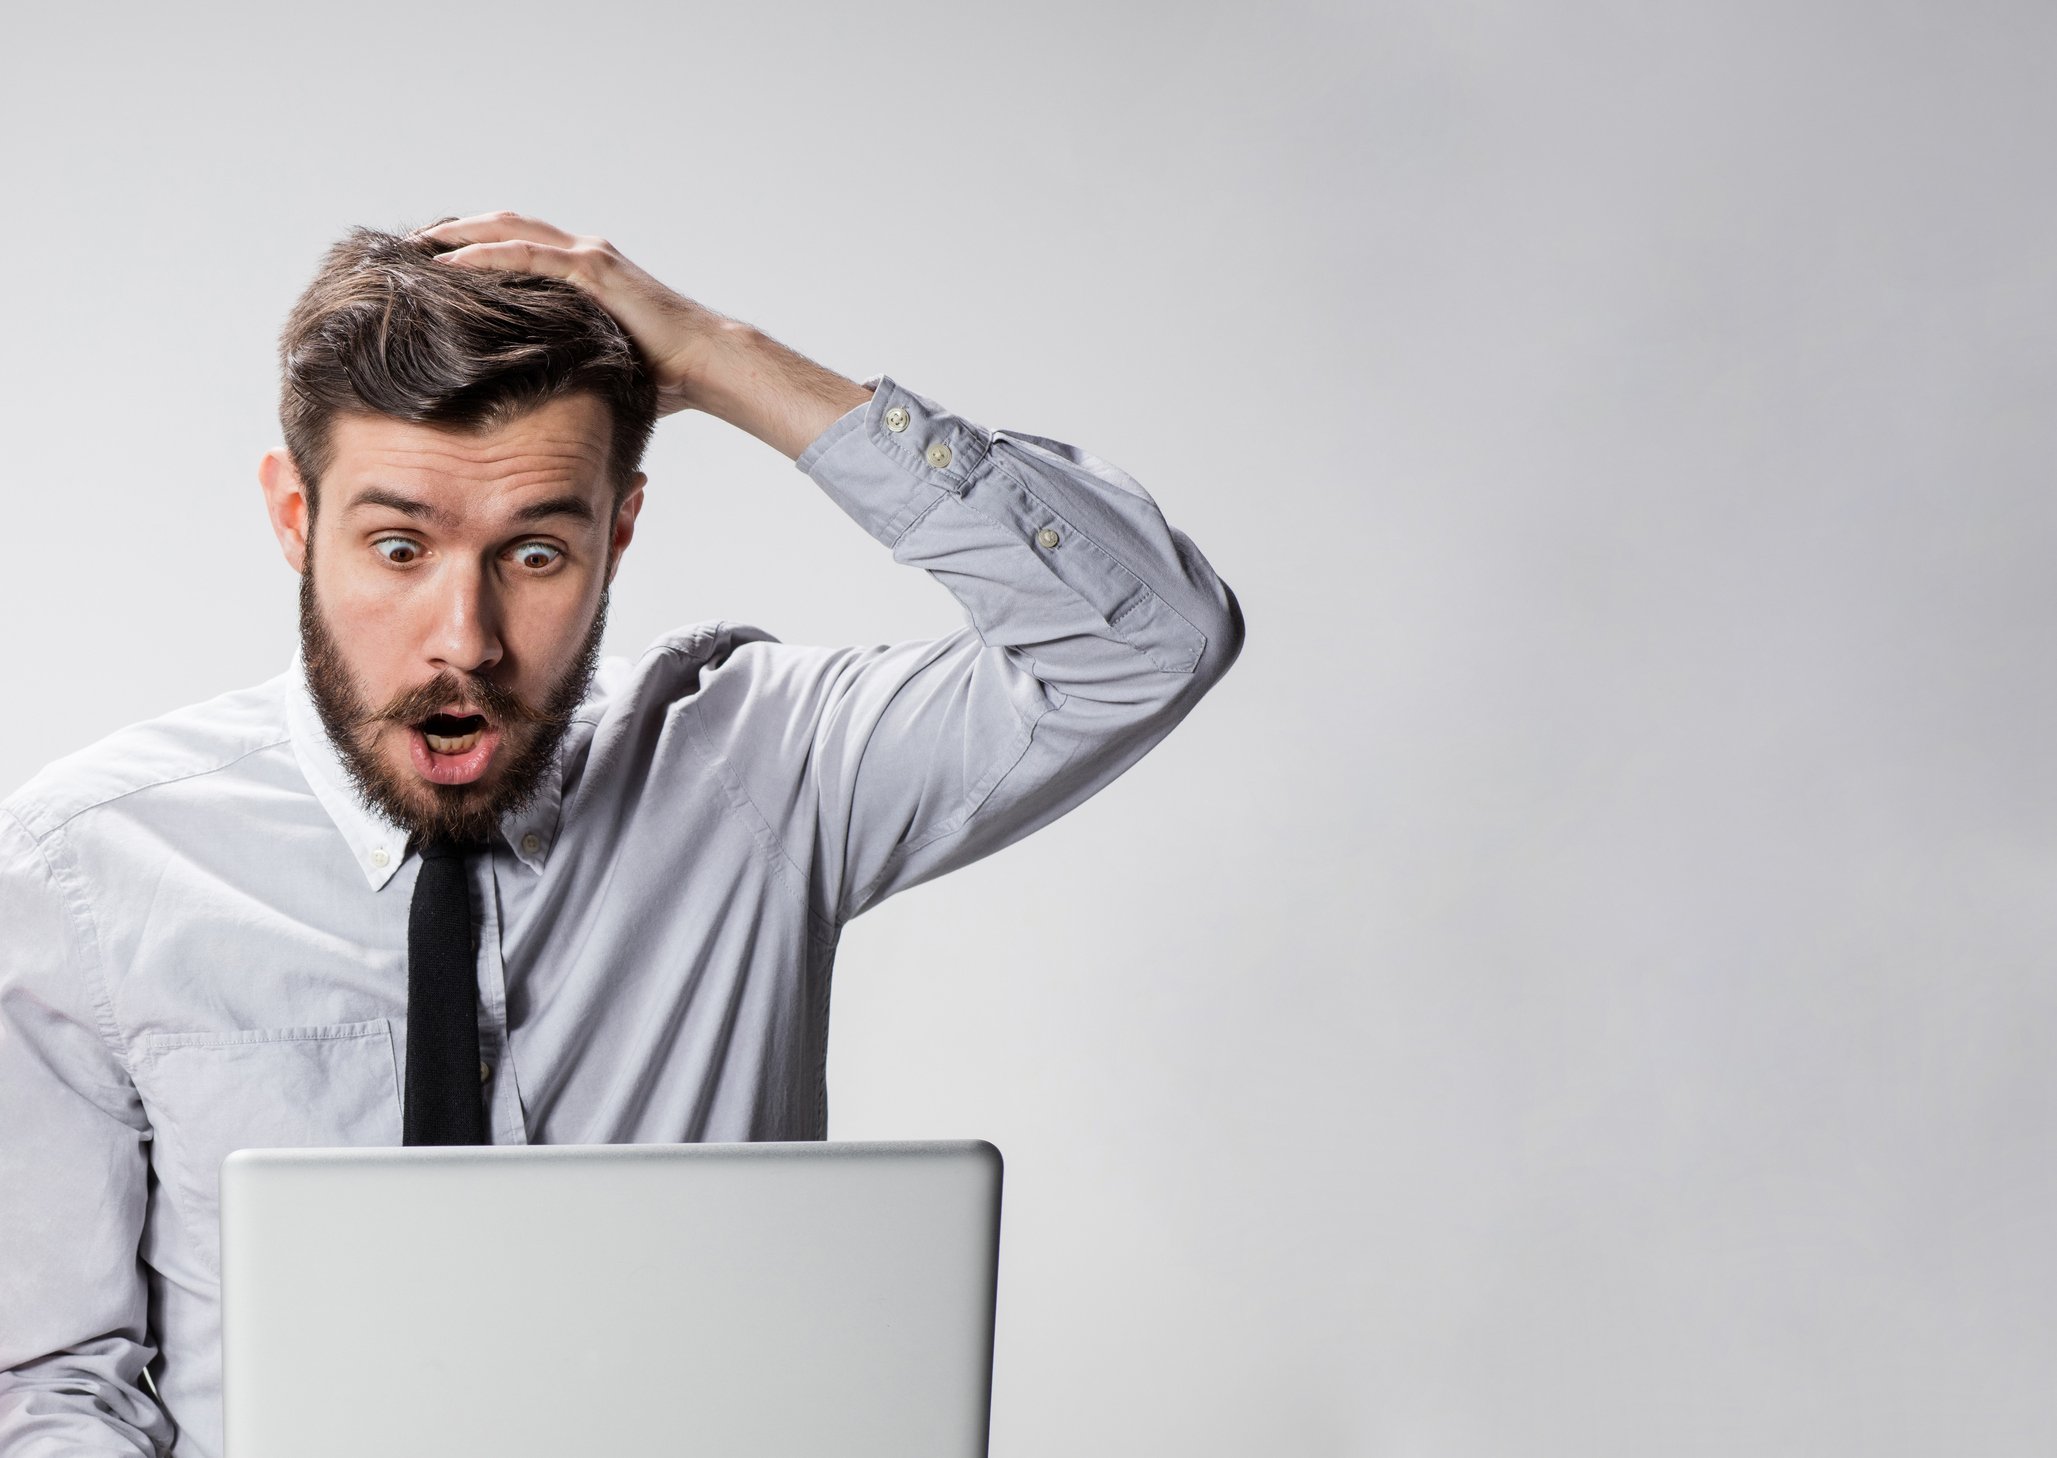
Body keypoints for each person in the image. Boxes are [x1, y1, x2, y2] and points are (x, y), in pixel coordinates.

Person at [0, 210, 1244, 1456]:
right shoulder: (90, 870)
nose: (465, 638)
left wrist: (719, 356)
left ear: (620, 532)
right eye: (396, 547)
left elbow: (1147, 642)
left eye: (536, 551)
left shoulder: (766, 771)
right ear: (292, 517)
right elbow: (47, 1382)